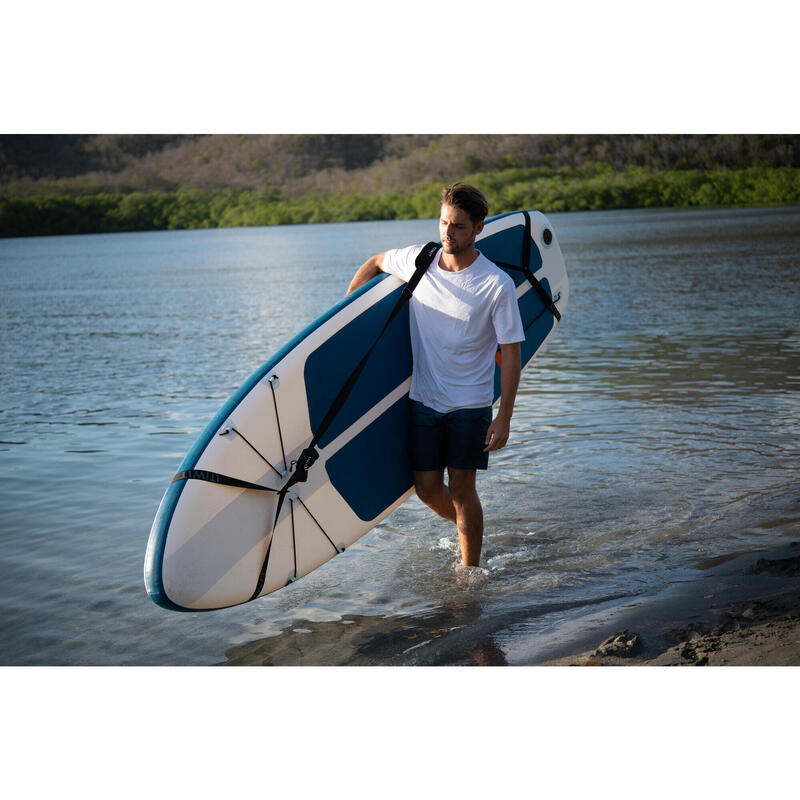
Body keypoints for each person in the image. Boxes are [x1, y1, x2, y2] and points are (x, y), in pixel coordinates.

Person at [346, 184, 524, 568]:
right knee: (426, 490)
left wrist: (504, 414)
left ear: (478, 228)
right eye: (444, 222)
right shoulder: (420, 260)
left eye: (458, 226)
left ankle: (470, 570)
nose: (448, 232)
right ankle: (471, 531)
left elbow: (510, 352)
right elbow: (376, 261)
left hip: (470, 404)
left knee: (462, 489)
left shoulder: (495, 284)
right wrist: (349, 317)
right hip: (424, 400)